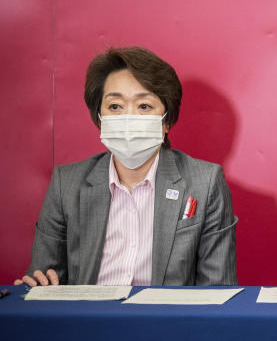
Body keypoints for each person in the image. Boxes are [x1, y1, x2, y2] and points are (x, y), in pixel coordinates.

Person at [16, 47, 238, 287]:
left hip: (165, 321)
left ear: (166, 121)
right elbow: (44, 278)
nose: (128, 117)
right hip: (88, 320)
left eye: (144, 106)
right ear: (99, 119)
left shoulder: (205, 183)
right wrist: (39, 286)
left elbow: (217, 290)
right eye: (115, 107)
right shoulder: (66, 185)